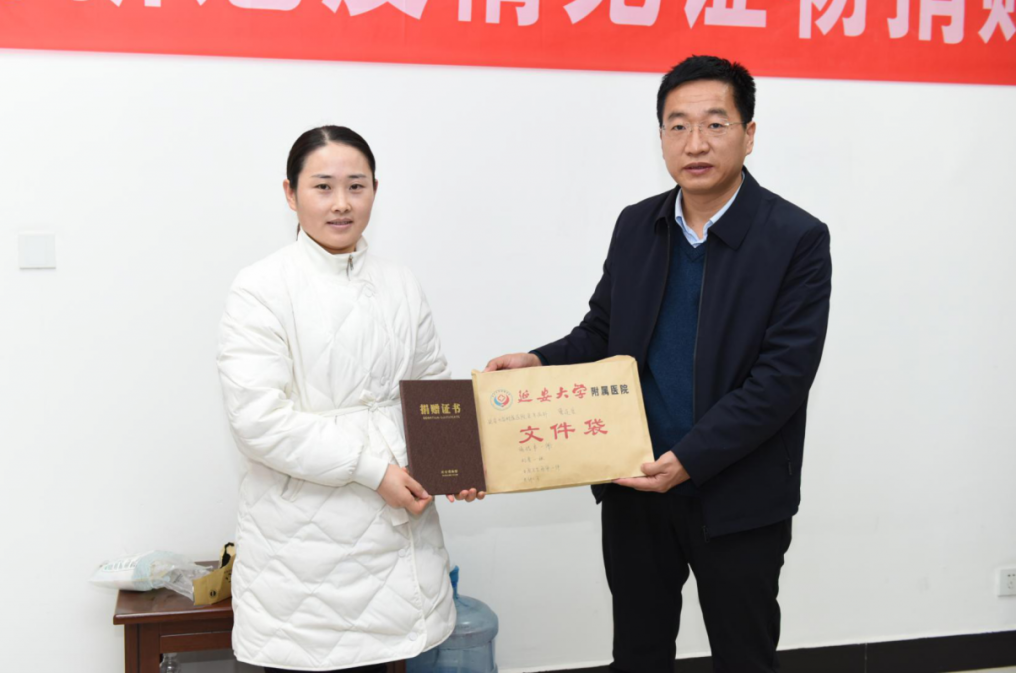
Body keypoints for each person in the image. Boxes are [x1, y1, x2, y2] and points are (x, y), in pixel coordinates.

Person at [485, 56, 832, 672]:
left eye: (715, 124)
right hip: (636, 484)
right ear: (662, 137)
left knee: (744, 657)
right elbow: (603, 333)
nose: (695, 143)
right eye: (678, 126)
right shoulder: (637, 225)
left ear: (749, 134)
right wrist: (538, 361)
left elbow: (780, 382)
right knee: (638, 654)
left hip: (739, 494)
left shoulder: (795, 239)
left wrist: (691, 458)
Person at [217, 126, 483, 673]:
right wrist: (372, 470)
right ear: (290, 194)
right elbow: (259, 421)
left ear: (374, 191)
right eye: (323, 187)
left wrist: (456, 464)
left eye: (356, 186)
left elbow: (431, 384)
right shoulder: (261, 287)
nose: (341, 203)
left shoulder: (400, 282)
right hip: (306, 551)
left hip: (398, 536)